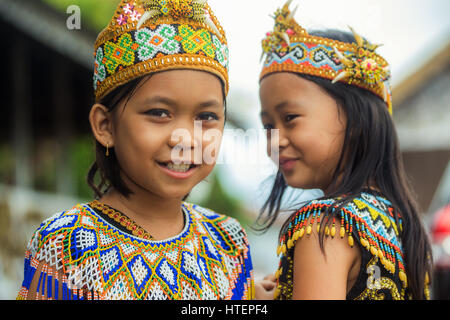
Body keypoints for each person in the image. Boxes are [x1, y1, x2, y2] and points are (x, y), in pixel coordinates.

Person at [17, 0, 253, 300]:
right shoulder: (66, 243)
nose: (185, 139)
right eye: (158, 113)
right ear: (105, 125)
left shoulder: (229, 240)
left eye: (206, 117)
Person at [254, 0, 432, 300]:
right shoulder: (401, 224)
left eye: (289, 119)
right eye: (267, 126)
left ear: (356, 119)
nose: (276, 140)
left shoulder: (325, 225)